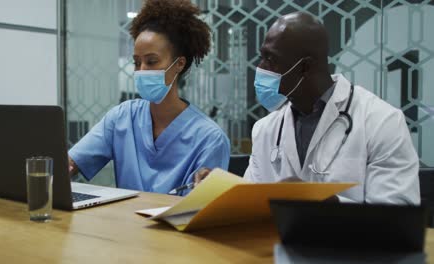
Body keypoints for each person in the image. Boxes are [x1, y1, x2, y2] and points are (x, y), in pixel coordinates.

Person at [196, 12, 420, 204]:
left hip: (351, 253)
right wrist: (221, 191)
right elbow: (253, 204)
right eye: (261, 57)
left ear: (305, 67)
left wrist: (326, 204)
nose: (260, 68)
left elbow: (397, 218)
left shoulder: (382, 122)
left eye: (270, 59)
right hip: (274, 251)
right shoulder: (266, 130)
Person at [68, 0, 230, 196]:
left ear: (178, 64)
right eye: (137, 62)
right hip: (122, 225)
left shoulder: (210, 139)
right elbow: (70, 164)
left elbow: (199, 209)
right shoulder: (123, 117)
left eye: (151, 62)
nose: (142, 70)